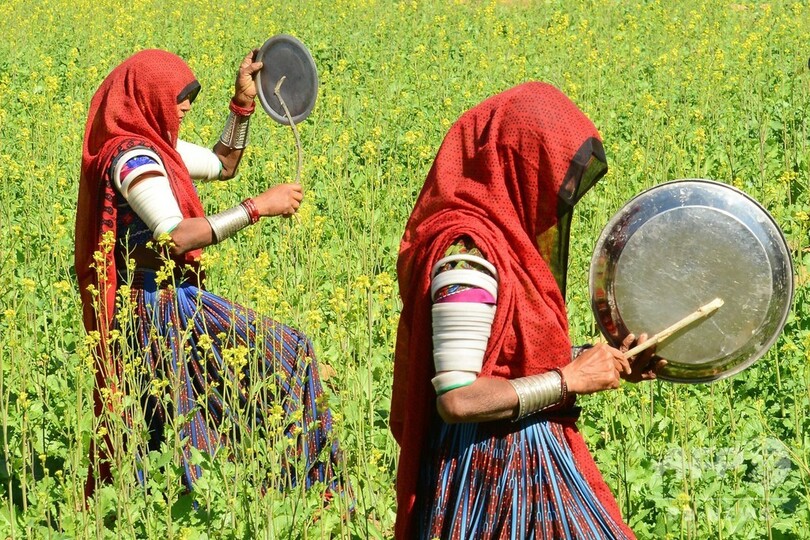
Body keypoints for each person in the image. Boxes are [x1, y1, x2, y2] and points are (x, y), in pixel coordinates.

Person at [391, 82, 666, 538]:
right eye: (554, 176)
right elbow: (457, 398)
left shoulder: (507, 246)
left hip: (530, 456)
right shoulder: (468, 260)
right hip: (488, 479)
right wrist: (568, 380)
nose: (561, 194)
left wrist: (603, 358)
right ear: (518, 165)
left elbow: (509, 356)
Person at [75, 49, 344, 497]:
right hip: (154, 309)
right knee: (285, 355)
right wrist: (258, 208)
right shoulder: (133, 159)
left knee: (184, 410)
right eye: (179, 98)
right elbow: (176, 236)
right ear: (148, 96)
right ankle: (302, 490)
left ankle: (205, 498)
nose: (185, 108)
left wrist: (243, 104)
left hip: (169, 301)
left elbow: (223, 164)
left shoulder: (156, 144)